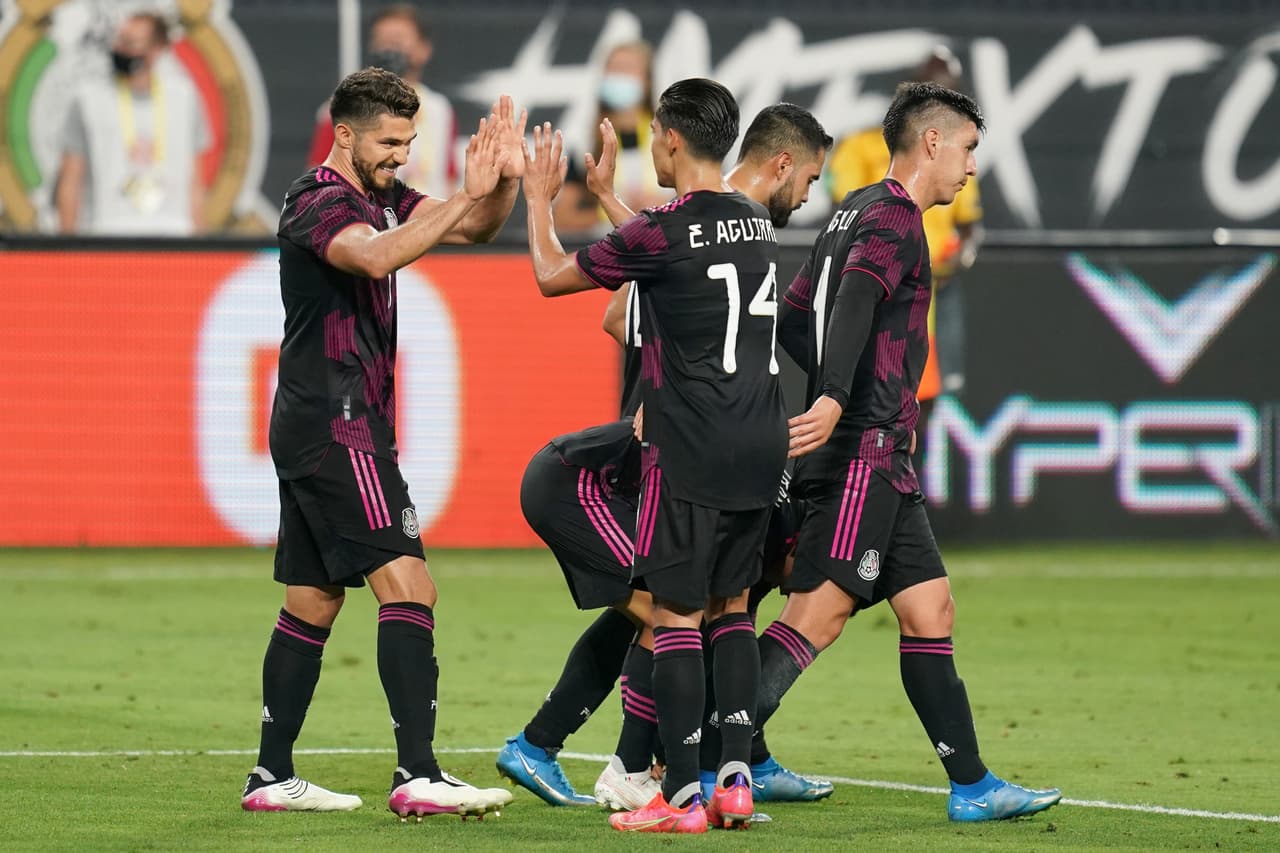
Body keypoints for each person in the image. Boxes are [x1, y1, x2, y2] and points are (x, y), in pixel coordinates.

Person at [495, 103, 834, 814]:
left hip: (692, 446)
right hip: (762, 441)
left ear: (672, 139)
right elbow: (677, 247)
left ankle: (676, 789)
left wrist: (537, 201)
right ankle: (734, 780)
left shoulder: (667, 231)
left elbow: (555, 274)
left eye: (654, 135)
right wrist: (619, 201)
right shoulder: (753, 221)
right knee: (733, 610)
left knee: (675, 618)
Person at [240, 67, 527, 821]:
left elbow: (477, 228)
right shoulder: (317, 199)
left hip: (325, 419)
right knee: (411, 584)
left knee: (314, 598)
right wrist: (465, 194)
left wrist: (499, 183)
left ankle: (270, 774)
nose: (402, 154)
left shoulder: (384, 196)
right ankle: (419, 772)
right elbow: (372, 256)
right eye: (390, 141)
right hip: (336, 420)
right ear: (345, 134)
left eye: (409, 141)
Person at [771, 81, 1062, 823]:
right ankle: (706, 754)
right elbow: (859, 298)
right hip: (863, 450)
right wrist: (838, 394)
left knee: (930, 609)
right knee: (818, 615)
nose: (970, 168)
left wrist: (837, 381)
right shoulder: (897, 218)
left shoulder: (851, 209)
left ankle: (972, 786)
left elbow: (797, 309)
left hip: (884, 455)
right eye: (966, 149)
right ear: (931, 142)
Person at [826, 46, 984, 417]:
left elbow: (971, 229)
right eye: (935, 92)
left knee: (915, 424)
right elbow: (844, 212)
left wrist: (954, 261)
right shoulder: (862, 147)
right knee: (866, 416)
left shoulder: (958, 157)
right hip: (874, 302)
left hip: (927, 305)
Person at [55, 11, 209, 235]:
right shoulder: (88, 99)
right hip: (109, 236)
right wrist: (66, 250)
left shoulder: (184, 97)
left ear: (156, 50)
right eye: (118, 41)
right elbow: (69, 182)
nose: (119, 49)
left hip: (173, 238)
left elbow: (195, 181)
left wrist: (200, 241)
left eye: (130, 43)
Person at [307, 5, 457, 198]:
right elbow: (317, 186)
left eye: (397, 41)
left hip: (428, 220)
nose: (388, 49)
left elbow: (449, 181)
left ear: (424, 49)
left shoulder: (440, 111)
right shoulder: (339, 109)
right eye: (381, 41)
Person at [554, 41, 669, 234]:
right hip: (608, 252)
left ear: (647, 81)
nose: (619, 77)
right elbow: (562, 218)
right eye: (613, 69)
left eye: (627, 69)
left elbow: (701, 207)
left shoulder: (669, 137)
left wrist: (665, 207)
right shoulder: (585, 142)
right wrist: (609, 211)